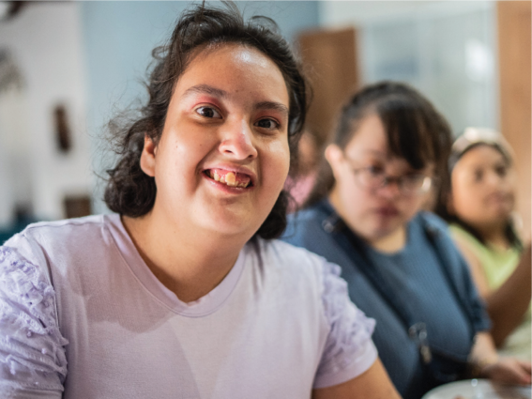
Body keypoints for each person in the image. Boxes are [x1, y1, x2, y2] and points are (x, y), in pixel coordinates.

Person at [0, 2, 401, 398]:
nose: (241, 145)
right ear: (152, 149)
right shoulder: (44, 276)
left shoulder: (314, 291)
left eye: (266, 123)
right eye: (208, 111)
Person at [282, 81, 532, 399]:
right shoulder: (296, 247)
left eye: (412, 177)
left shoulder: (433, 234)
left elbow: (476, 328)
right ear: (337, 159)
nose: (392, 192)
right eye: (374, 169)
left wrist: (487, 366)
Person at [437, 127, 532, 359]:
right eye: (477, 176)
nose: (494, 183)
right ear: (450, 198)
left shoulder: (516, 242)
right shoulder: (455, 242)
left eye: (501, 171)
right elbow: (489, 328)